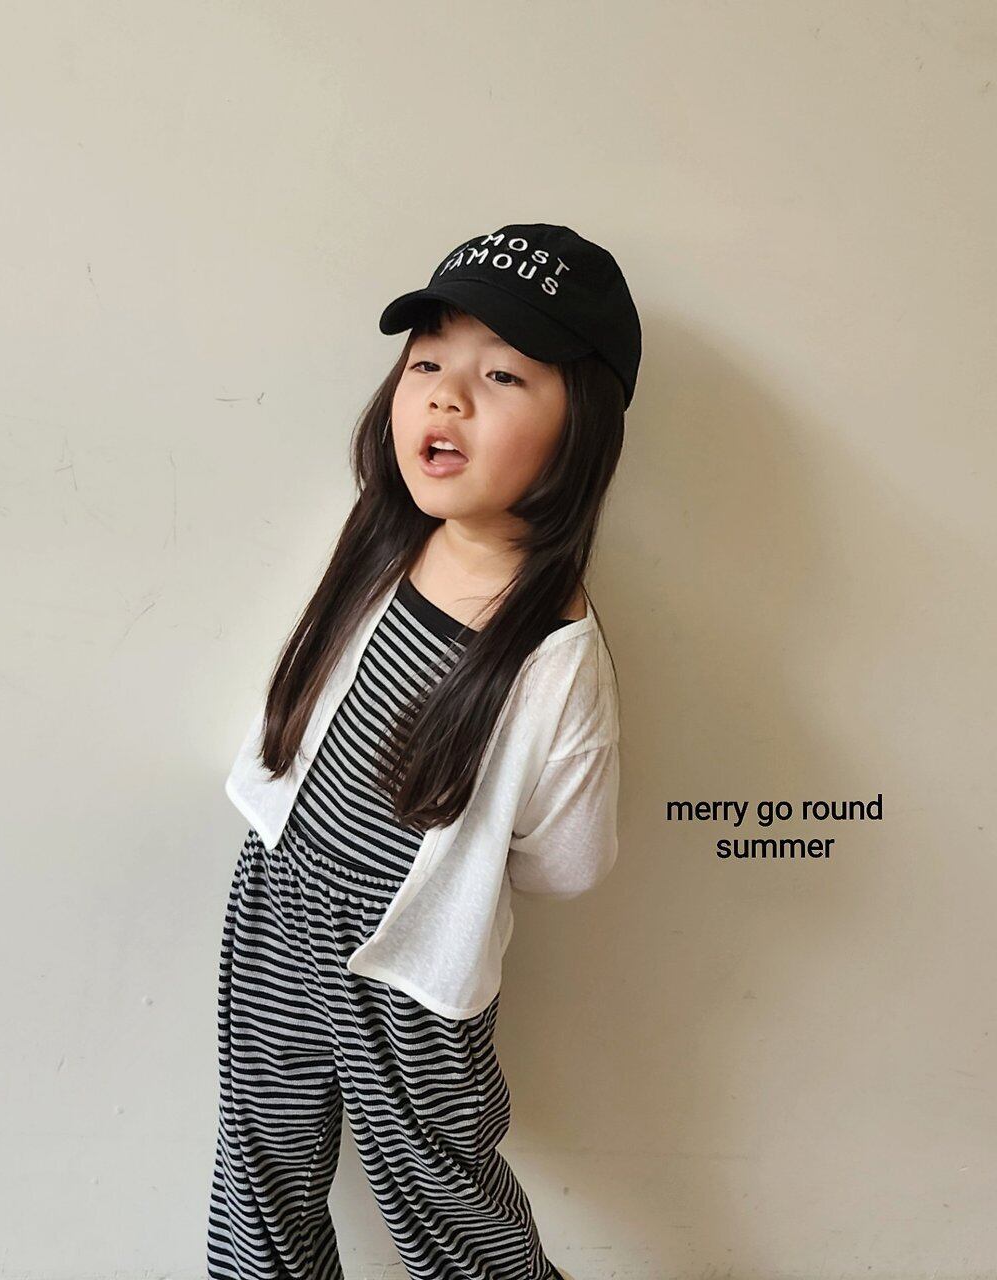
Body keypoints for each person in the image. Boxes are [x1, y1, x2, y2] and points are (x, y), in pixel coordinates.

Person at [205, 222, 642, 1280]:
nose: (446, 397)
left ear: (578, 428)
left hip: (408, 968)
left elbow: (571, 861)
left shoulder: (554, 653)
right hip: (278, 895)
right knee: (260, 1157)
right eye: (425, 362)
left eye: (501, 374)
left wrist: (467, 864)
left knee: (445, 1199)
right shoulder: (382, 538)